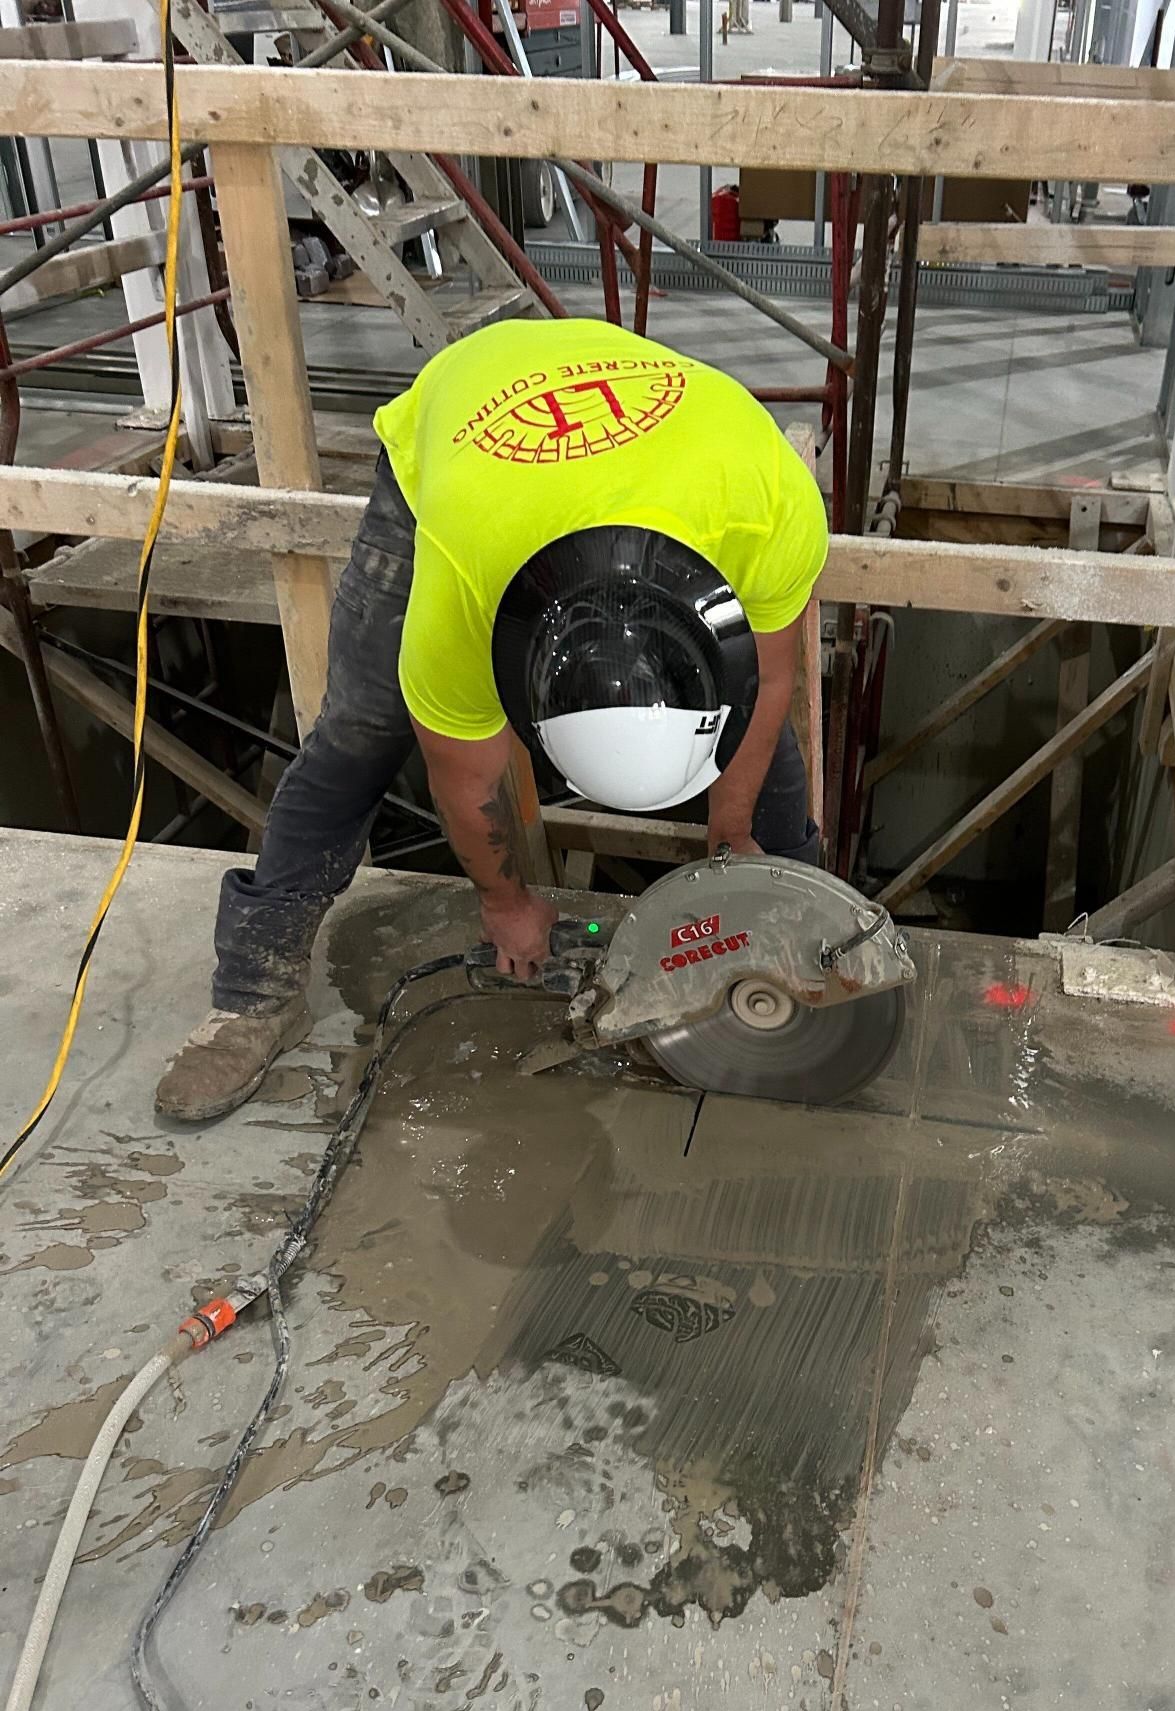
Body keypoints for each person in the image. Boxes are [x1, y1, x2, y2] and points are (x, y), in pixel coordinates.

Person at [154, 317, 829, 1122]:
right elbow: (466, 772)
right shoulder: (463, 595)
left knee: (763, 746)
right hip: (472, 420)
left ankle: (809, 934)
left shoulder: (768, 509)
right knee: (361, 729)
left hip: (677, 439)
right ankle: (252, 994)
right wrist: (506, 904)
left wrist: (732, 833)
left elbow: (772, 686)